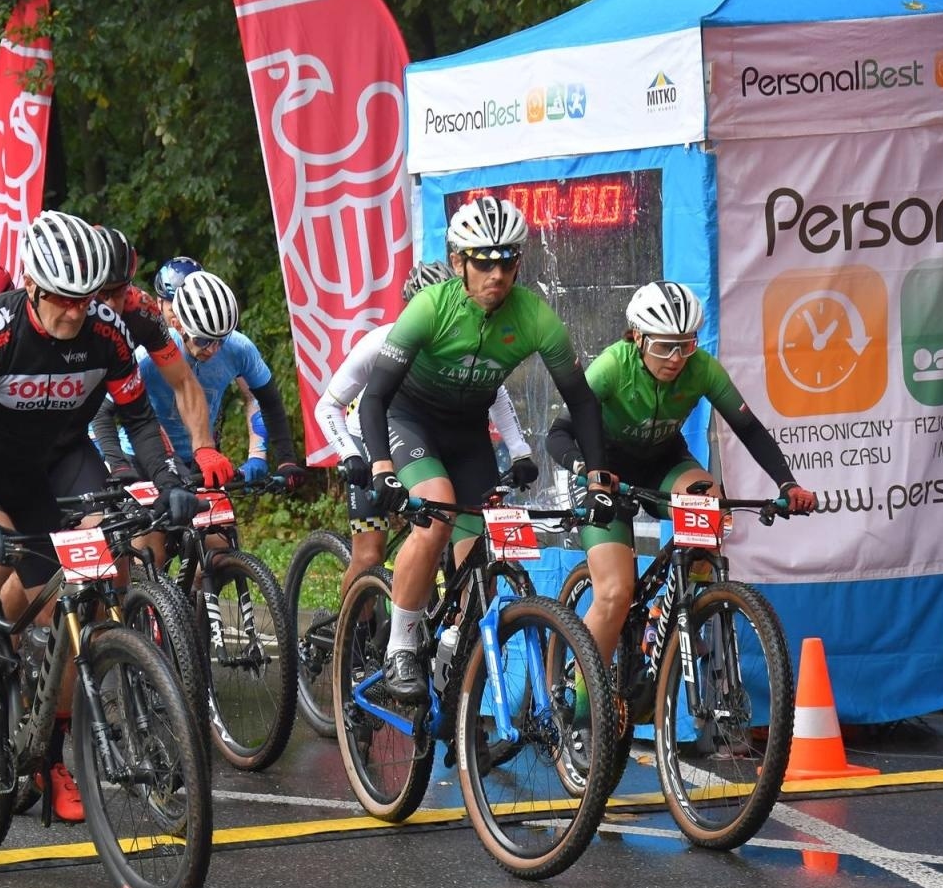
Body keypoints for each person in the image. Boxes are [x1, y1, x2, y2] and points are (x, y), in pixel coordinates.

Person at [0, 210, 199, 822]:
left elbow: (140, 420)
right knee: (1, 553)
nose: (77, 312)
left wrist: (171, 481)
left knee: (86, 593)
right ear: (34, 288)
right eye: (63, 301)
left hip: (53, 458)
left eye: (88, 298)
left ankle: (52, 754)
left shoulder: (107, 331)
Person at [358, 195, 613, 702]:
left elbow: (582, 402)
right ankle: (401, 647)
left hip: (467, 433)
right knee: (434, 515)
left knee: (482, 557)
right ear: (459, 263)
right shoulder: (431, 307)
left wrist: (598, 476)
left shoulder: (534, 315)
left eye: (508, 260)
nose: (496, 273)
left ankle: (460, 656)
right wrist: (382, 467)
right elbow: (376, 395)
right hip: (410, 421)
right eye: (483, 261)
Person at [545, 281, 816, 712]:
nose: (676, 359)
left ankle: (683, 614)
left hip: (663, 462)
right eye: (666, 346)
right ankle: (579, 702)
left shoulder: (701, 367)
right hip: (605, 470)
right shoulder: (612, 367)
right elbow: (558, 434)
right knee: (615, 592)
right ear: (637, 336)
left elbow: (748, 428)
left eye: (686, 345)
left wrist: (787, 484)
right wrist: (588, 473)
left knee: (708, 507)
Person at [316, 260, 537, 593]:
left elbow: (497, 395)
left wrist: (520, 450)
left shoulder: (464, 345)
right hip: (369, 442)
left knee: (467, 554)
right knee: (369, 554)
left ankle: (463, 636)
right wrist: (349, 455)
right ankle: (348, 638)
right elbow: (327, 406)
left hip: (424, 441)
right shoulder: (380, 342)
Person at [100, 269, 305, 488]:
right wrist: (119, 465)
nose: (213, 349)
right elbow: (103, 412)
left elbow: (269, 401)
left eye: (220, 340)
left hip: (201, 455)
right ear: (178, 325)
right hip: (144, 458)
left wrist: (286, 460)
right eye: (203, 341)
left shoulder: (240, 348)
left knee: (219, 521)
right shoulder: (147, 357)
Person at [90, 227, 235, 487]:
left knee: (174, 508)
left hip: (126, 419)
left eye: (120, 291)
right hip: (70, 414)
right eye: (102, 294)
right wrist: (117, 462)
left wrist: (203, 447)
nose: (111, 306)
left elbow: (183, 382)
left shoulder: (142, 312)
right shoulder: (56, 312)